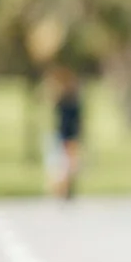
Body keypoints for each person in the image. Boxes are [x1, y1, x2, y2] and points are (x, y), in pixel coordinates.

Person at [45, 68, 84, 201]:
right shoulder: (61, 101)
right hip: (62, 135)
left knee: (70, 165)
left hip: (71, 136)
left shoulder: (76, 102)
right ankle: (60, 189)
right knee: (61, 165)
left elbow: (79, 121)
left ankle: (67, 189)